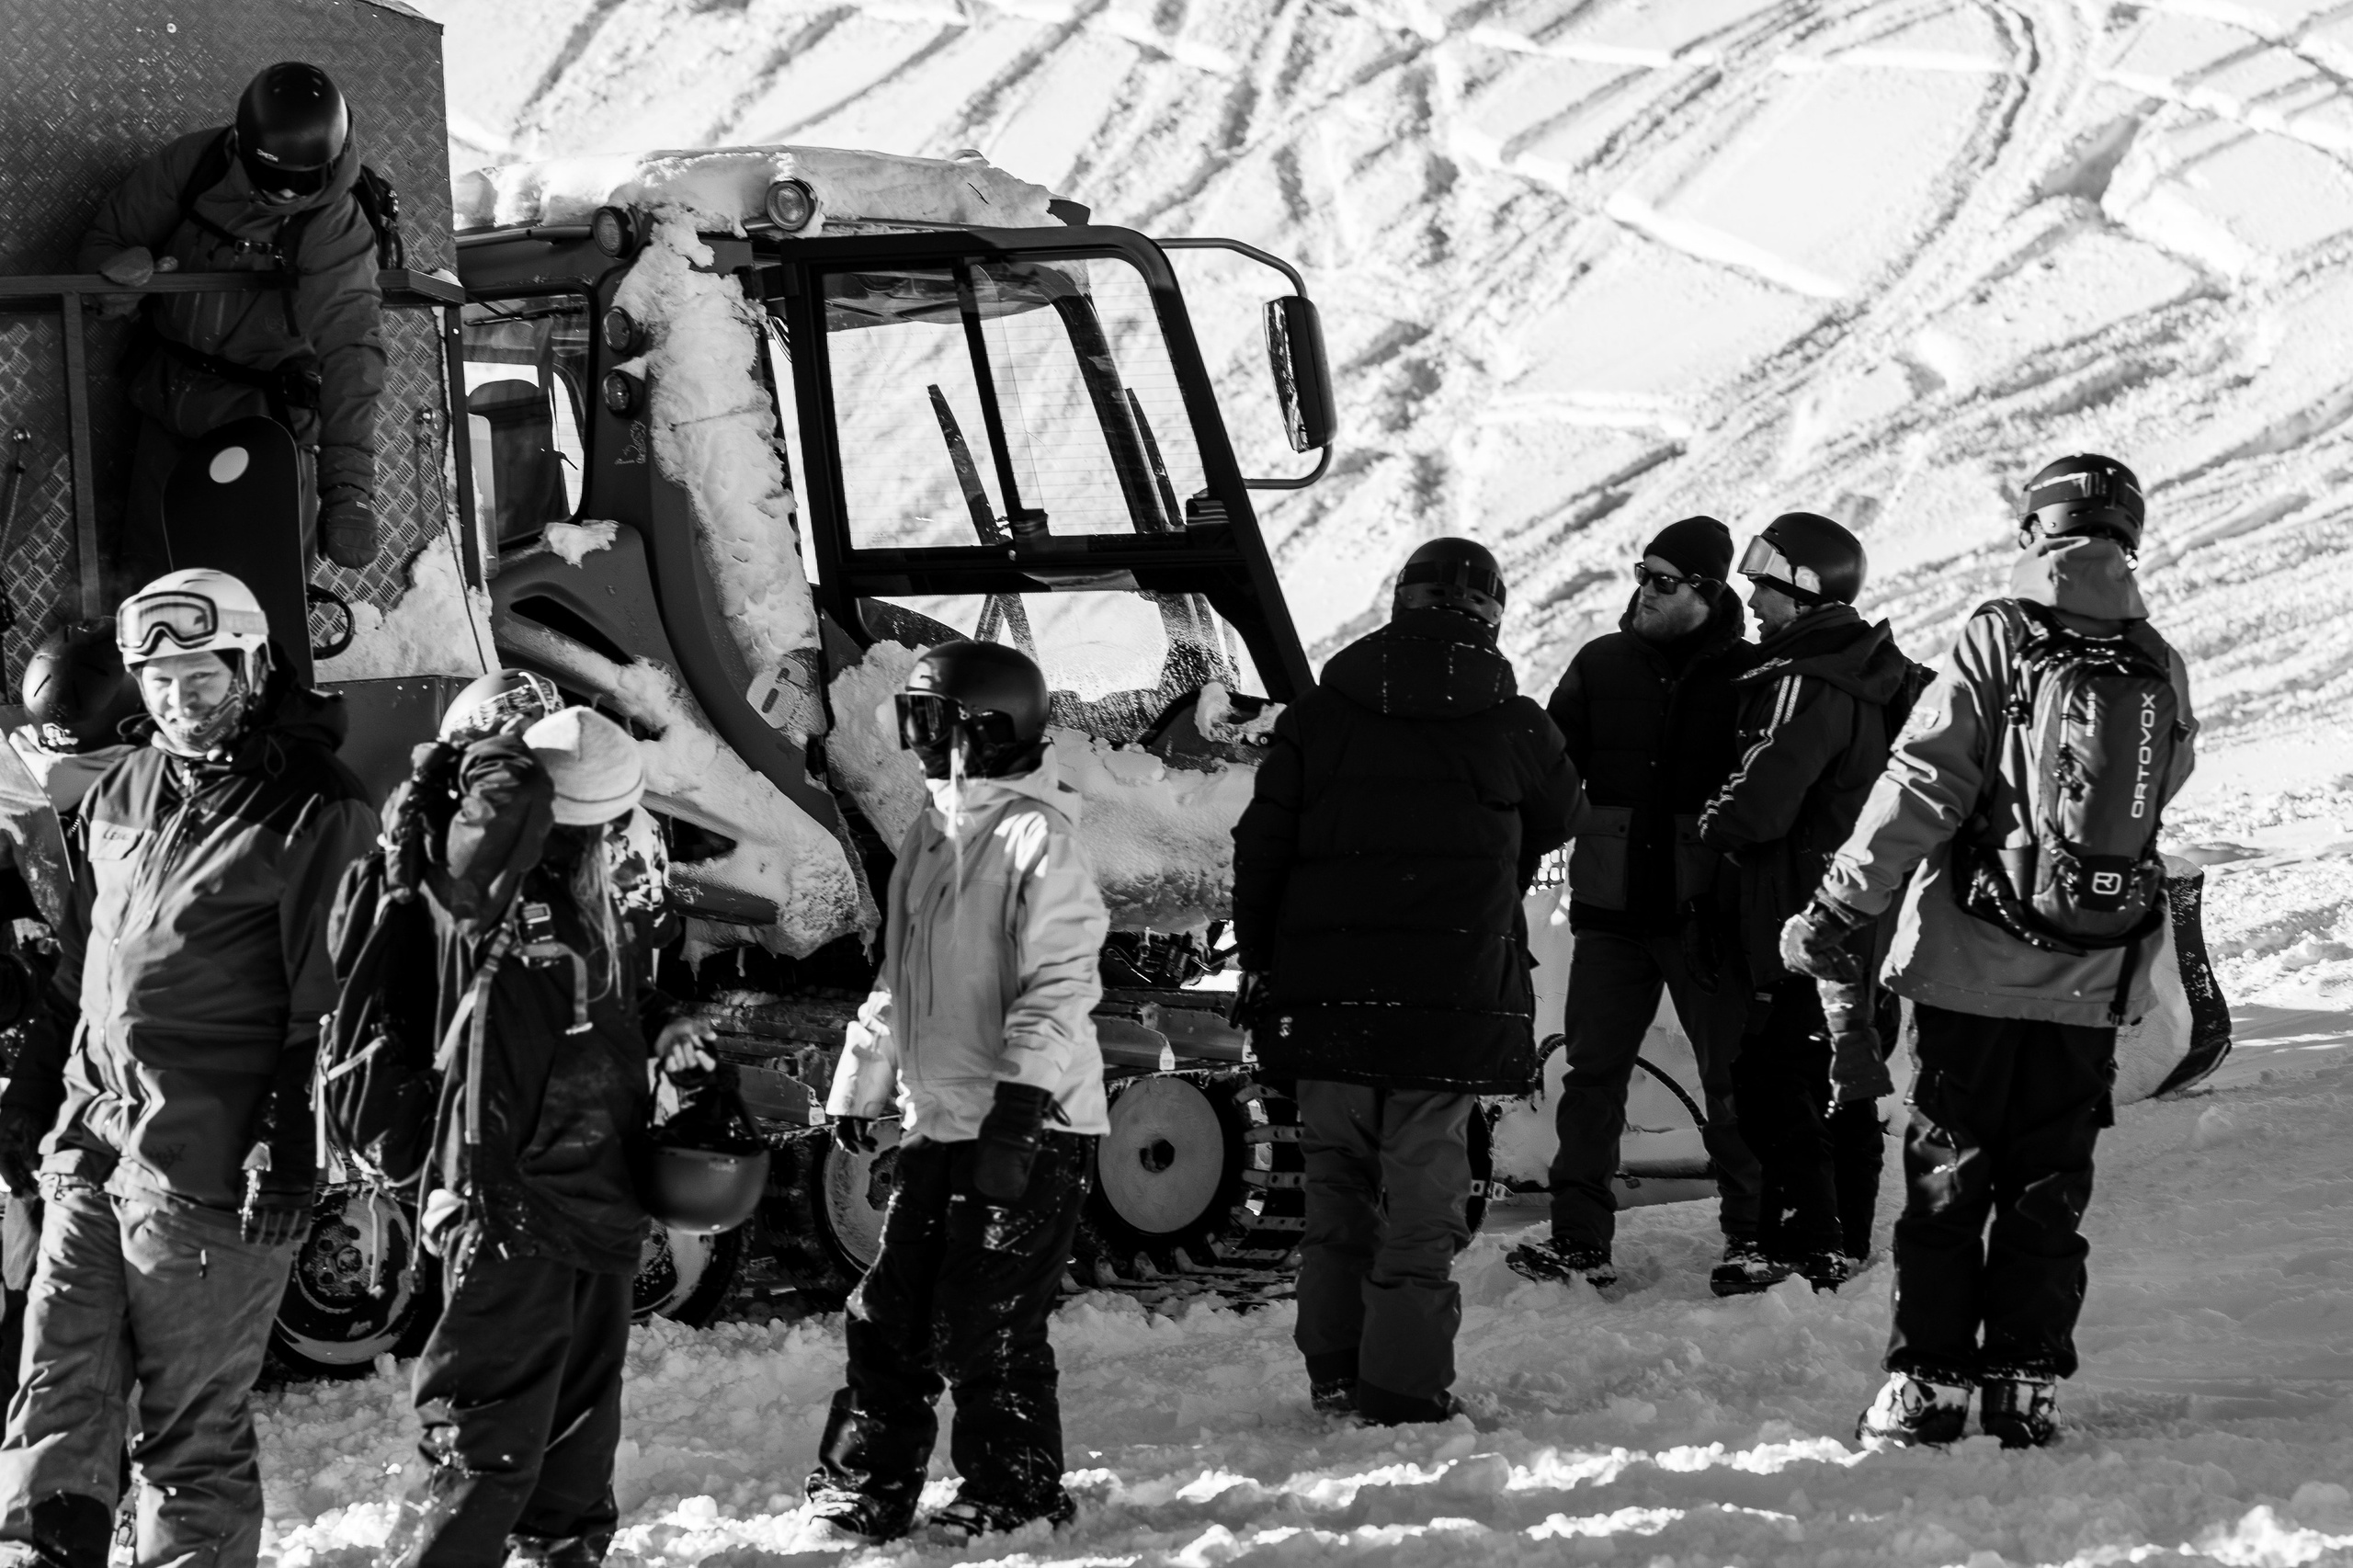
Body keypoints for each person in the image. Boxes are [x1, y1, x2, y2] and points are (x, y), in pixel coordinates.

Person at [1784, 454, 2197, 1449]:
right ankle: (2022, 1379)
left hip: (1973, 964)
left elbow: (1926, 781)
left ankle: (1926, 1384)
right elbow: (2160, 779)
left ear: (2035, 531)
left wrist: (1842, 899)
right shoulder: (2153, 654)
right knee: (2048, 1185)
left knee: (1946, 1178)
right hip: (2090, 974)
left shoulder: (1998, 634)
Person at [0, 570, 377, 1568]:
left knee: (188, 1431)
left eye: (200, 677)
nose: (178, 700)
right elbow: (78, 971)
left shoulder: (313, 808)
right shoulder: (122, 788)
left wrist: (289, 1144)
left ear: (252, 667)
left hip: (211, 1169)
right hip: (92, 1146)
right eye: (158, 680)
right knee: (55, 1390)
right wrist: (30, 1105)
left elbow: (327, 1003)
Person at [1232, 539, 1579, 1424]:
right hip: (1449, 1004)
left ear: (1401, 603)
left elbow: (1261, 848)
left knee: (1335, 1194)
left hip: (1329, 1003)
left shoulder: (1321, 712)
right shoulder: (1515, 723)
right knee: (1423, 1210)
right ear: (1490, 616)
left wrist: (1266, 963)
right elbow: (1564, 812)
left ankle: (1336, 1373)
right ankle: (1403, 1387)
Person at [384, 704, 706, 1568]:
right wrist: (486, 757)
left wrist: (667, 1023)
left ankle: (562, 1550)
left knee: (577, 1414)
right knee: (483, 1422)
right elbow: (481, 840)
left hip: (599, 1191)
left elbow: (614, 1006)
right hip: (510, 1200)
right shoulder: (481, 892)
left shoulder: (589, 899)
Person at [808, 642, 1108, 1545]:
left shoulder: (1038, 841)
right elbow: (899, 977)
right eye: (915, 723)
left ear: (990, 731)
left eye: (934, 725)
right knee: (889, 1308)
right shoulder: (932, 832)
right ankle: (866, 1483)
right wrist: (860, 1081)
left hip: (1031, 1123)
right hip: (942, 1118)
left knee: (989, 1313)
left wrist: (1016, 1117)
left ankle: (1018, 1487)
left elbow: (1057, 993)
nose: (919, 744)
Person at [1511, 517, 1765, 1295]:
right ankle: (1579, 1240)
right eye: (1641, 573)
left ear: (1707, 591)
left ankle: (1752, 1238)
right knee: (1591, 1080)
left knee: (1733, 1080)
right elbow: (1550, 775)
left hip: (1705, 921)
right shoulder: (1601, 664)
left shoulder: (1753, 676)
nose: (1643, 591)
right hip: (1612, 915)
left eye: (1662, 580)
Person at [1696, 513, 1916, 1292]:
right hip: (1864, 912)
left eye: (1765, 586)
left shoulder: (1804, 679)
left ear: (1806, 590)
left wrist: (1709, 822)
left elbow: (1760, 797)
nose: (1753, 602)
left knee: (1771, 1080)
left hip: (1800, 912)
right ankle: (1844, 1238)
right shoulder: (1868, 669)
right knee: (1840, 1073)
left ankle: (1809, 1242)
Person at [78, 61, 385, 591]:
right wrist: (117, 283)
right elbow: (101, 250)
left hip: (263, 430)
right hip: (167, 409)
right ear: (241, 148)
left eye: (305, 180)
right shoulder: (193, 165)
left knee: (254, 598)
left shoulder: (334, 224)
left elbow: (352, 349)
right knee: (154, 589)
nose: (289, 194)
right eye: (273, 178)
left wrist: (349, 488)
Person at [0, 623, 145, 1411]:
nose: (67, 779)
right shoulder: (40, 789)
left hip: (143, 1080)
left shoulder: (178, 806)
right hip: (68, 1049)